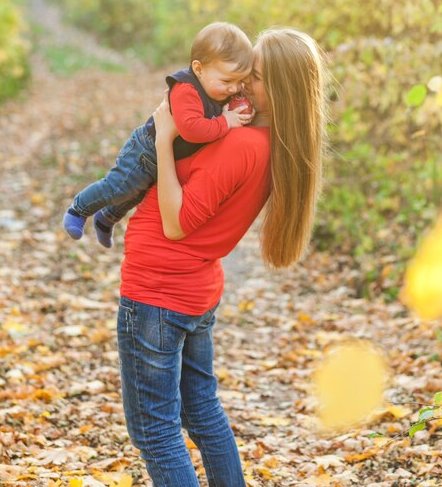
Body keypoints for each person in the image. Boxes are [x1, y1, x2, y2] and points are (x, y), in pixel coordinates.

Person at [117, 27, 329, 486]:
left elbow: (177, 222)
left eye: (253, 76)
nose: (241, 84)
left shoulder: (241, 145)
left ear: (279, 90)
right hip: (193, 290)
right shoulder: (271, 146)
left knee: (155, 431)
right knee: (203, 413)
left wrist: (162, 142)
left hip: (159, 291)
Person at [62, 22, 254, 248]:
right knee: (119, 187)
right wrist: (225, 121)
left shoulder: (219, 88)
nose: (234, 89)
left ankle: (106, 219)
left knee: (135, 194)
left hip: (164, 157)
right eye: (227, 81)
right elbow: (192, 130)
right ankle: (78, 210)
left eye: (240, 81)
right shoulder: (186, 90)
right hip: (146, 150)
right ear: (199, 69)